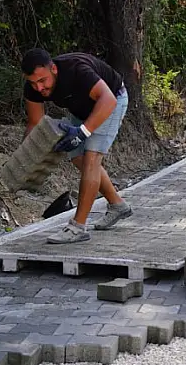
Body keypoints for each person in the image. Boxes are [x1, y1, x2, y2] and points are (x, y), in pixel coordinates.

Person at [21, 49, 132, 244]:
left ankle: (77, 227)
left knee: (92, 159)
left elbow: (108, 99)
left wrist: (83, 132)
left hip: (110, 101)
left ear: (53, 69)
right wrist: (27, 157)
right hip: (82, 108)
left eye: (43, 81)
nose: (39, 88)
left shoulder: (77, 70)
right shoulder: (33, 87)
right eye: (33, 83)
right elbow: (34, 123)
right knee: (78, 158)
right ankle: (117, 205)